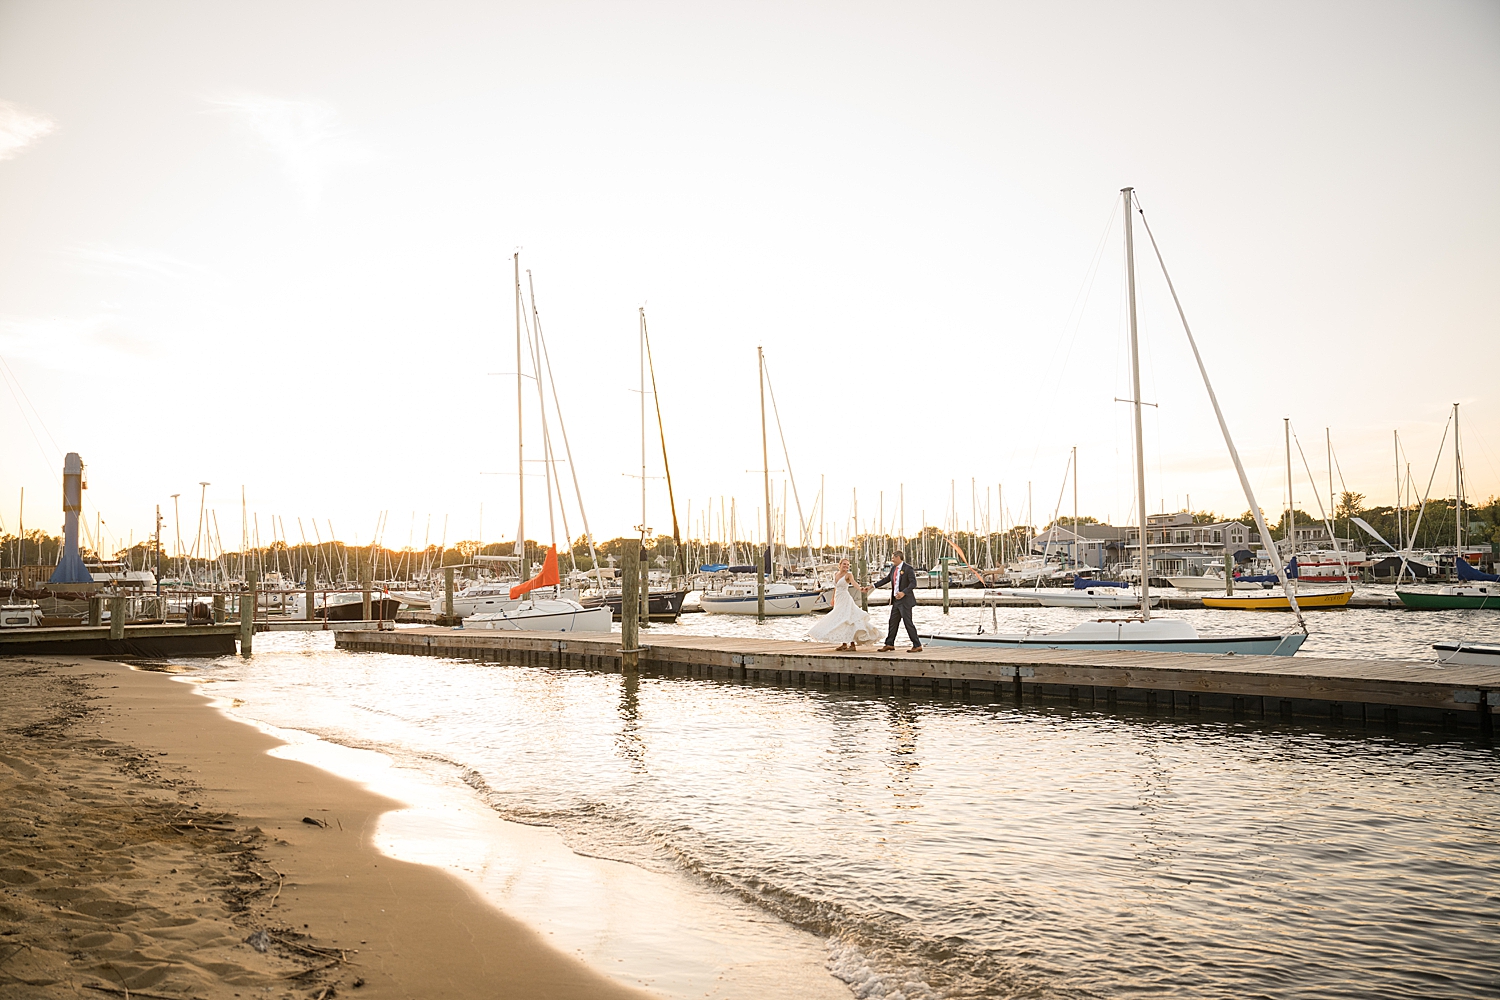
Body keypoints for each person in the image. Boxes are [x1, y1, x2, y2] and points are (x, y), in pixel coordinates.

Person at [806, 558, 881, 651]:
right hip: (838, 599)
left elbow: (854, 583)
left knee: (848, 619)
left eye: (848, 565)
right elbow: (835, 587)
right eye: (844, 564)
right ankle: (844, 643)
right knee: (840, 619)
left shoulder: (848, 575)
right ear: (840, 565)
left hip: (845, 599)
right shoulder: (836, 574)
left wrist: (861, 589)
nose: (846, 566)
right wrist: (833, 598)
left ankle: (852, 644)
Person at [870, 550, 921, 652]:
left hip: (905, 600)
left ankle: (917, 645)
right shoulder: (894, 569)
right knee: (893, 622)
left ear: (898, 557)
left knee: (908, 622)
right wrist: (872, 586)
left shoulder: (908, 569)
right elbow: (886, 579)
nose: (892, 559)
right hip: (896, 601)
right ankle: (889, 644)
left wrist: (903, 592)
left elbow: (913, 583)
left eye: (893, 557)